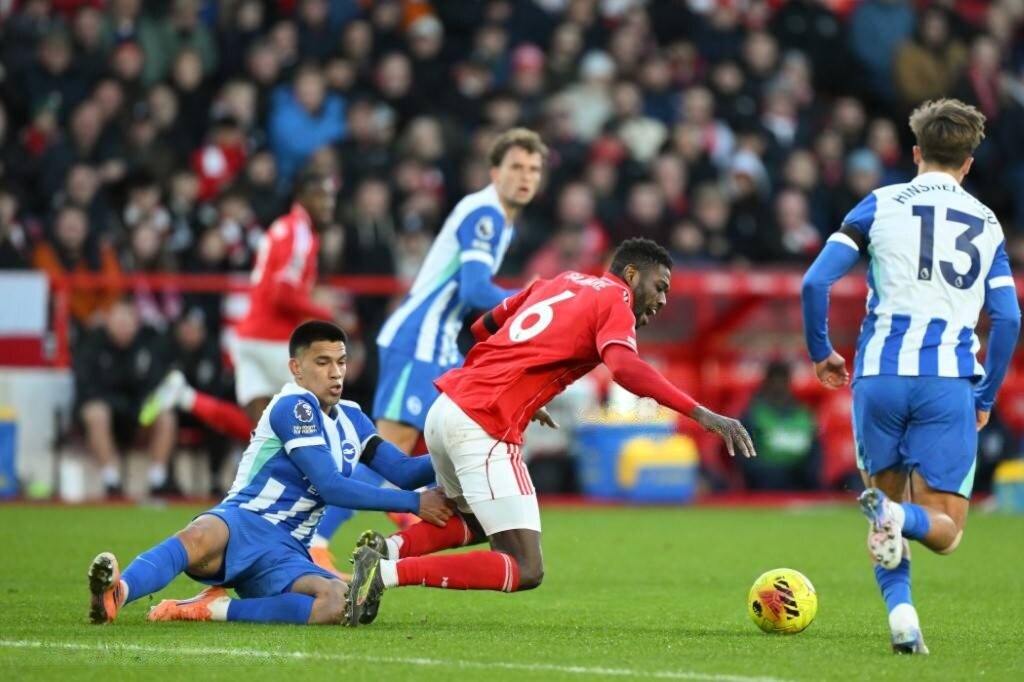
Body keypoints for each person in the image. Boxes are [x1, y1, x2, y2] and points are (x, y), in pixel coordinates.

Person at [342, 238, 755, 624]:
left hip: (448, 407)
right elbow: (625, 368)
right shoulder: (616, 297)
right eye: (660, 286)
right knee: (525, 567)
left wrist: (524, 386)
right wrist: (702, 414)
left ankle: (389, 549)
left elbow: (484, 327)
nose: (663, 299)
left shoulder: (559, 281)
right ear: (631, 275)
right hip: (483, 422)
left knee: (479, 519)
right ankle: (386, 573)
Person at [801, 98, 1020, 654]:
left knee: (885, 510)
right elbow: (1010, 317)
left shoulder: (878, 203)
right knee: (945, 531)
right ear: (968, 163)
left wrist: (822, 351)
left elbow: (814, 283)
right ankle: (900, 520)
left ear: (917, 152)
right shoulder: (988, 223)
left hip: (878, 377)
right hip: (948, 379)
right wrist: (987, 394)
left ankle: (903, 622)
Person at [87, 321, 451, 626]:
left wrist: (458, 446)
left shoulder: (353, 418)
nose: (336, 372)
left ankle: (211, 608)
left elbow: (403, 471)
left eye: (340, 362)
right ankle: (119, 592)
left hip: (288, 551)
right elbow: (331, 486)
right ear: (296, 368)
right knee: (199, 534)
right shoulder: (293, 406)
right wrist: (414, 503)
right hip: (241, 522)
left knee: (340, 602)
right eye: (323, 362)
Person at [307, 128, 549, 563]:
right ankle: (317, 542)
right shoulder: (486, 215)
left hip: (438, 347)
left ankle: (407, 516)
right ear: (495, 172)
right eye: (516, 166)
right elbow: (476, 289)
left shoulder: (501, 223)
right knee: (389, 450)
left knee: (451, 435)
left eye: (533, 169)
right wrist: (530, 300)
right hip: (418, 341)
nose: (525, 176)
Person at [73, 299, 177, 498]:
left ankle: (157, 480)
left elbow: (156, 384)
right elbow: (86, 387)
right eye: (118, 321)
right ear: (108, 322)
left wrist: (142, 409)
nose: (123, 327)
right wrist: (116, 405)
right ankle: (111, 481)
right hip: (106, 416)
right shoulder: (92, 344)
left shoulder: (148, 345)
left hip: (138, 417)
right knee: (96, 413)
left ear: (136, 323)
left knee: (165, 415)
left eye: (127, 322)